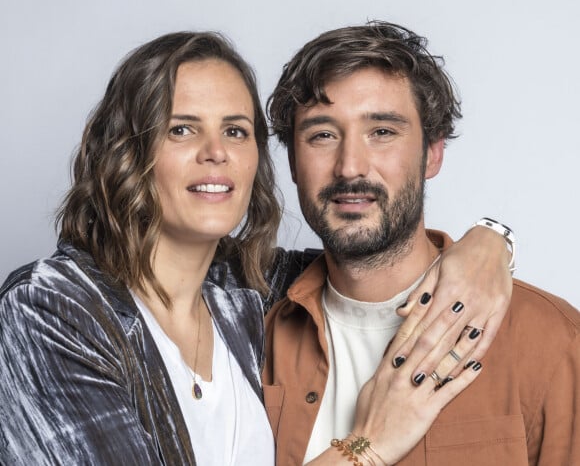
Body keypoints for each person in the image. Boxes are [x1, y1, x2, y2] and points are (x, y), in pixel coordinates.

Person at [0, 31, 510, 465]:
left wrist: (487, 244)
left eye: (236, 131)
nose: (216, 153)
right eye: (181, 129)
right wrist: (366, 446)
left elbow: (373, 256)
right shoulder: (50, 309)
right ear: (127, 152)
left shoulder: (245, 291)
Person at [263, 21, 580, 465]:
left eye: (382, 132)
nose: (350, 166)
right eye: (322, 135)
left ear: (432, 153)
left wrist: (496, 236)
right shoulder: (249, 330)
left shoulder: (549, 341)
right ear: (293, 162)